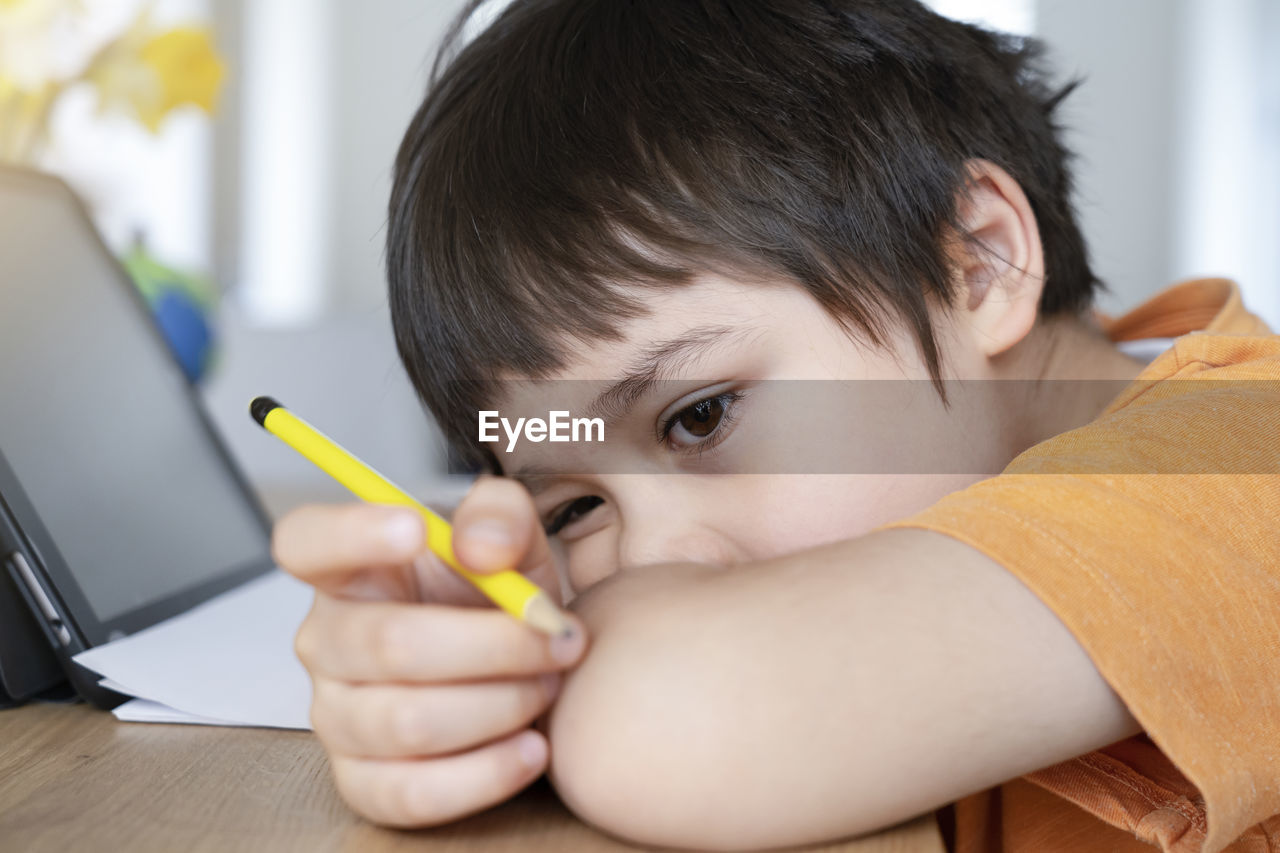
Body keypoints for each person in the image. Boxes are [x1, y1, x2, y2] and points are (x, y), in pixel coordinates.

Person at [271, 1, 1280, 850]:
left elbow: (670, 718)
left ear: (976, 263)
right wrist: (453, 660)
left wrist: (532, 681)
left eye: (699, 417)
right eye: (577, 503)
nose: (657, 558)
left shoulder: (1243, 465)